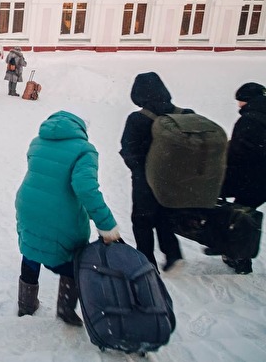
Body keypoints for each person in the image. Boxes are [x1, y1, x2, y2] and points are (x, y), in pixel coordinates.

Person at [15, 110, 120, 326]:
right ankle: (65, 309)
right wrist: (107, 226)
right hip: (60, 212)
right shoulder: (85, 150)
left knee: (32, 251)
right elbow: (86, 188)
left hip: (29, 205)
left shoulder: (37, 142)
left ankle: (26, 305)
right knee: (72, 260)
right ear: (81, 129)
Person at [119, 72, 185, 272]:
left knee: (142, 220)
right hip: (177, 180)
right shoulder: (184, 114)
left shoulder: (137, 119)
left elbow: (128, 149)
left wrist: (140, 170)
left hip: (146, 180)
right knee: (165, 216)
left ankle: (147, 261)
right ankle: (173, 254)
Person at [217, 82, 266, 274]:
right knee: (244, 214)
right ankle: (237, 255)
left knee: (240, 217)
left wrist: (227, 161)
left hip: (254, 180)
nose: (238, 106)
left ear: (247, 100)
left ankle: (240, 259)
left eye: (240, 101)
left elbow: (246, 153)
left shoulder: (251, 120)